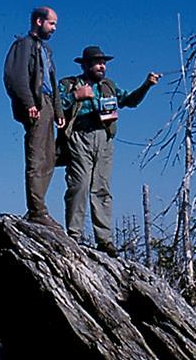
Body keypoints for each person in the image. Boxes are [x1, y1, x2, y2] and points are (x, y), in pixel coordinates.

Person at [58, 45, 160, 256]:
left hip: (104, 138)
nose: (102, 66)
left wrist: (146, 86)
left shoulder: (108, 86)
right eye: (97, 62)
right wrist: (76, 96)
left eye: (103, 63)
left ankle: (104, 240)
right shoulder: (70, 84)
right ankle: (74, 236)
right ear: (85, 65)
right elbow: (55, 104)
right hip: (79, 136)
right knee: (79, 186)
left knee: (101, 188)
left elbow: (129, 101)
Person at [3, 6, 65, 228]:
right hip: (36, 105)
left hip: (47, 104)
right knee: (37, 157)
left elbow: (51, 82)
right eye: (52, 23)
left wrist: (58, 111)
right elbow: (15, 76)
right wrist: (28, 102)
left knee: (49, 157)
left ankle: (39, 208)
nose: (54, 28)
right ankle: (37, 211)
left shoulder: (45, 50)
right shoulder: (24, 45)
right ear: (39, 21)